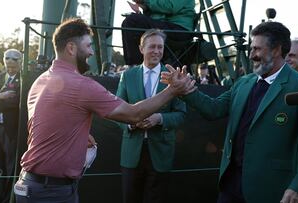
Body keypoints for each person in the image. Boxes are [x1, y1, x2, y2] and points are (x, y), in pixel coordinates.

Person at [13, 18, 190, 203]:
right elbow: (133, 114)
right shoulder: (82, 85)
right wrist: (173, 90)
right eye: (88, 45)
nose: (91, 51)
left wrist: (77, 137)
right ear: (72, 48)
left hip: (31, 185)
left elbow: (46, 126)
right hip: (53, 192)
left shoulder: (40, 80)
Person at [161, 21, 298, 203]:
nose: (251, 54)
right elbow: (214, 109)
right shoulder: (243, 83)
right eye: (251, 48)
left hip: (270, 188)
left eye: (257, 49)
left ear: (277, 50)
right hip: (231, 184)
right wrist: (187, 91)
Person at [116, 29, 186, 203]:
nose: (156, 51)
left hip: (161, 154)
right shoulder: (128, 76)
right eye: (152, 46)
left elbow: (181, 114)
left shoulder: (174, 77)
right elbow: (116, 110)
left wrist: (160, 119)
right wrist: (131, 123)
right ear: (141, 48)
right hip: (132, 154)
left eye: (160, 47)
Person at [121, 0, 195, 65]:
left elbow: (170, 7)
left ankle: (135, 66)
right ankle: (138, 65)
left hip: (179, 29)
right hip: (167, 26)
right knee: (130, 22)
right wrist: (143, 7)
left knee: (132, 21)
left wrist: (146, 1)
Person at [0, 49, 21, 203]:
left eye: (13, 66)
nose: (10, 68)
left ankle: (6, 198)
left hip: (11, 130)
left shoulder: (23, 80)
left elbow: (17, 102)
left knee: (10, 166)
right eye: (8, 64)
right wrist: (0, 96)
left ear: (20, 63)